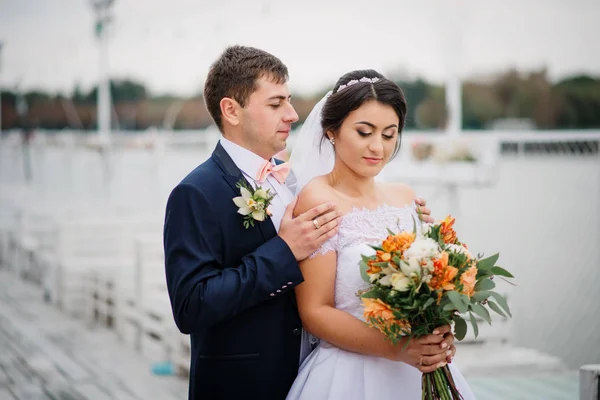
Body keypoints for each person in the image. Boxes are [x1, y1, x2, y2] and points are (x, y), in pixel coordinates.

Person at [163, 46, 433, 400]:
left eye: (289, 101)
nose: (292, 114)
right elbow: (191, 306)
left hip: (312, 372)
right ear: (231, 110)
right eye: (276, 104)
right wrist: (283, 251)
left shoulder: (292, 183)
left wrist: (415, 233)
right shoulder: (197, 192)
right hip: (245, 384)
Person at [286, 70, 475, 399]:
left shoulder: (404, 197)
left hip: (416, 372)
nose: (378, 147)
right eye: (364, 132)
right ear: (331, 131)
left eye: (390, 135)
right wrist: (399, 348)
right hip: (349, 373)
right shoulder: (318, 201)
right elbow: (315, 310)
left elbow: (432, 285)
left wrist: (438, 332)